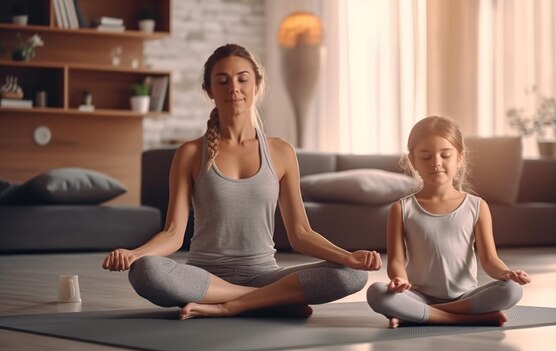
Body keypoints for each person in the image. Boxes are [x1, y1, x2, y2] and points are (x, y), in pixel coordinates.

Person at [102, 44, 381, 320]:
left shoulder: (281, 152)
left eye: (242, 79)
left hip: (266, 275)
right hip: (204, 278)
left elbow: (301, 234)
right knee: (146, 271)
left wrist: (348, 257)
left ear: (256, 85)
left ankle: (232, 304)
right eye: (222, 81)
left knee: (352, 275)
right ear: (209, 91)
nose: (233, 87)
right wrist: (135, 254)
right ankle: (269, 300)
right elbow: (174, 233)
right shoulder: (189, 154)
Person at [366, 116, 531, 328]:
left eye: (445, 155)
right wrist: (399, 280)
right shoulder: (400, 209)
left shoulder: (477, 206)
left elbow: (490, 259)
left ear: (459, 158)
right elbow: (396, 261)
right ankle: (467, 319)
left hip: (466, 296)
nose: (436, 163)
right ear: (413, 161)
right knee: (377, 293)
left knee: (512, 290)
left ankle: (417, 316)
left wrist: (507, 273)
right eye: (425, 156)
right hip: (418, 296)